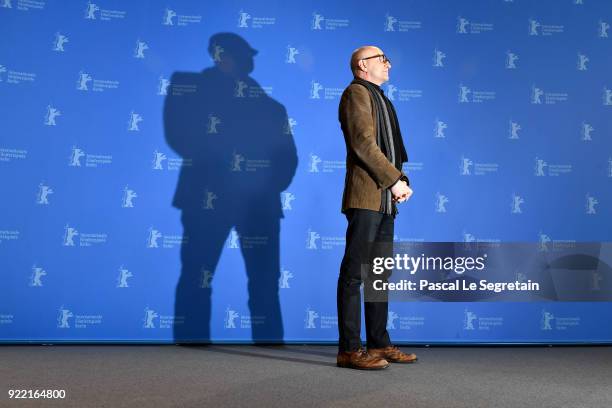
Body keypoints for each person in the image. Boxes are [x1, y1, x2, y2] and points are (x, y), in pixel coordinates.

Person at [336, 45, 418, 370]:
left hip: (384, 198)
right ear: (362, 65)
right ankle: (350, 350)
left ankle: (379, 344)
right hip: (367, 196)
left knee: (379, 276)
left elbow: (391, 148)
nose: (388, 63)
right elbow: (363, 144)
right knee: (355, 274)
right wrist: (394, 180)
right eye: (381, 58)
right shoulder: (356, 93)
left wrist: (398, 181)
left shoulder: (382, 98)